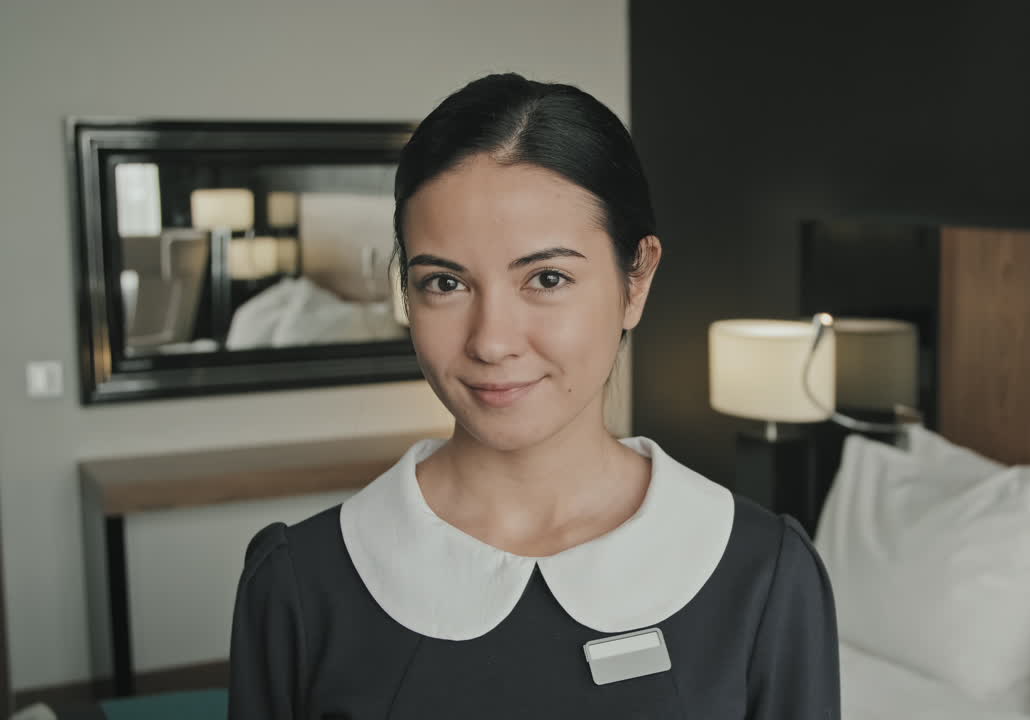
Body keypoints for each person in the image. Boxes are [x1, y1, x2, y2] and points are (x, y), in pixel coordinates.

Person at [228, 72, 839, 719]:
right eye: (444, 282)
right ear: (404, 290)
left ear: (637, 280)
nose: (492, 341)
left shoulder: (761, 574)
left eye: (547, 277)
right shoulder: (300, 584)